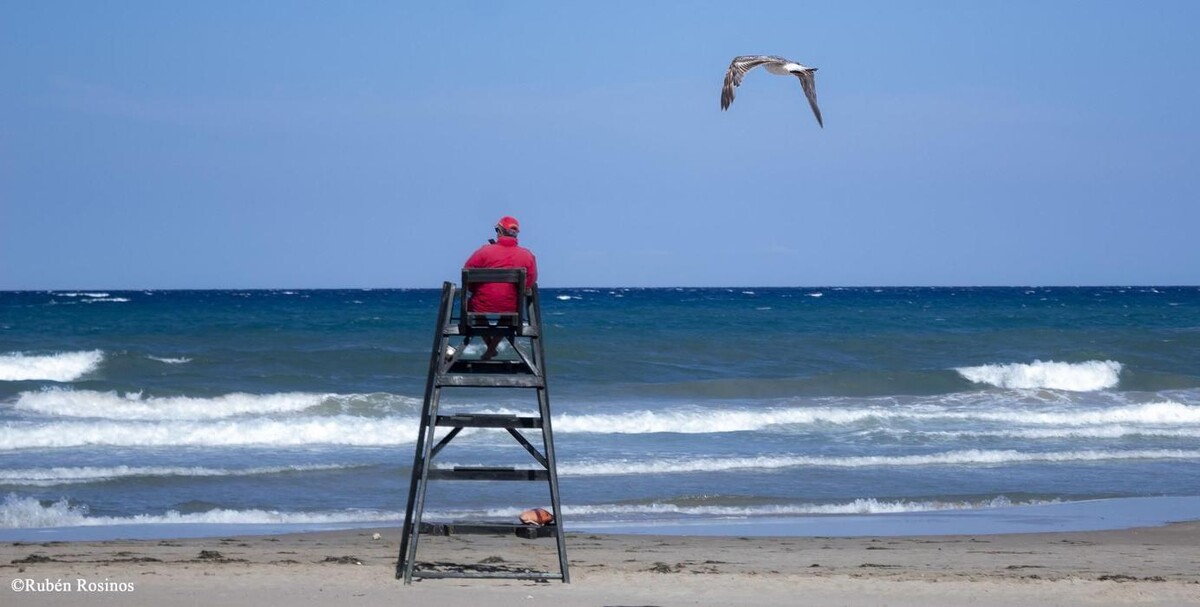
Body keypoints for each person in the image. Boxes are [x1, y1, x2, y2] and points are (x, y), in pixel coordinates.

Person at [463, 215, 538, 360]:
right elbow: (530, 281)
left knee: (475, 308)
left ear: (500, 231)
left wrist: (475, 289)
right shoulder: (527, 255)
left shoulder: (483, 252)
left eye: (497, 229)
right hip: (511, 307)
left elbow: (468, 272)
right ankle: (492, 348)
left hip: (481, 305)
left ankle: (490, 347)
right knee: (509, 309)